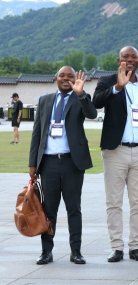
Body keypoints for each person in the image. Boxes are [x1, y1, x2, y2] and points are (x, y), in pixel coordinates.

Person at [28, 66, 97, 265]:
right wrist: (33, 164)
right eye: (62, 76)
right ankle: (46, 252)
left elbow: (91, 114)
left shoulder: (80, 98)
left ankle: (76, 251)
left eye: (70, 76)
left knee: (73, 209)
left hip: (72, 163)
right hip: (48, 163)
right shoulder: (45, 101)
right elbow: (36, 134)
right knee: (49, 210)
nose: (66, 79)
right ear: (56, 78)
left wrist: (81, 93)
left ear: (75, 79)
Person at [93, 46, 138, 263]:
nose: (129, 60)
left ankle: (135, 247)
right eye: (125, 57)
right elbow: (96, 102)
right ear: (119, 60)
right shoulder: (107, 81)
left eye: (133, 57)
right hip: (115, 150)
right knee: (114, 202)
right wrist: (118, 87)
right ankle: (116, 247)